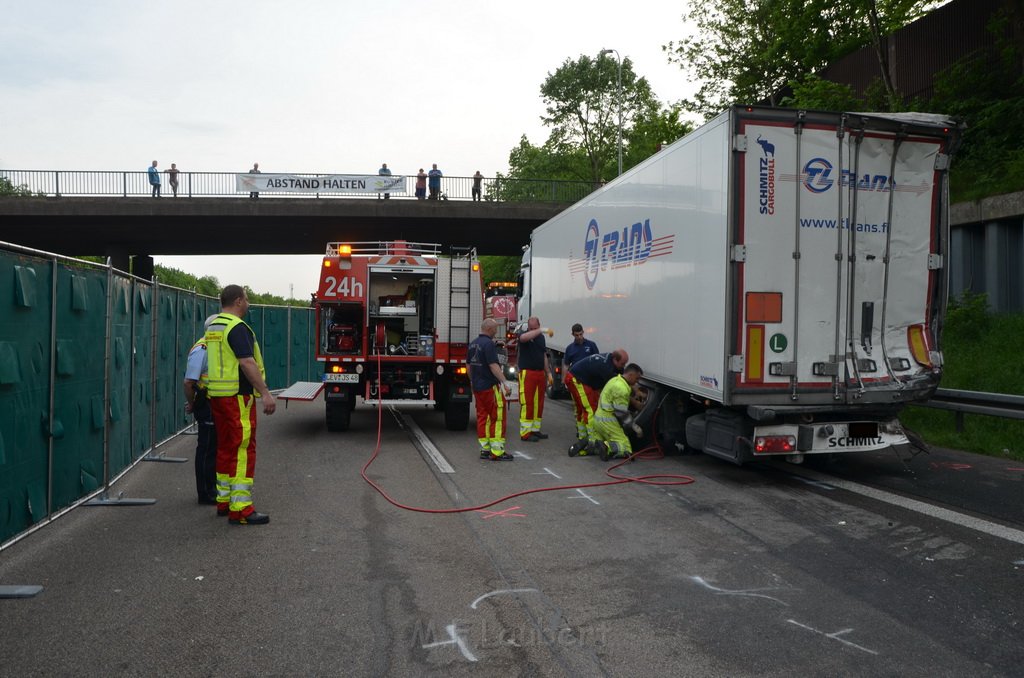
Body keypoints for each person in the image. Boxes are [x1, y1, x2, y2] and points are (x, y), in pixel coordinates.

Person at [205, 285, 276, 525]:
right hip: (237, 397)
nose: (248, 303)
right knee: (243, 449)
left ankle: (223, 502)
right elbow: (246, 362)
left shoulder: (214, 327)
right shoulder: (237, 328)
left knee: (225, 448)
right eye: (246, 299)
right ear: (237, 301)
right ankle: (242, 509)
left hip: (217, 396)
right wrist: (264, 392)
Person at [183, 314, 220, 505]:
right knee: (206, 448)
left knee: (213, 448)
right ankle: (205, 493)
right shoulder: (202, 349)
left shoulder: (213, 348)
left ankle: (212, 488)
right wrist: (193, 404)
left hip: (214, 404)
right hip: (206, 404)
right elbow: (189, 382)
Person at [565, 348, 629, 456]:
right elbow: (615, 385)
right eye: (622, 364)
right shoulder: (606, 367)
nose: (623, 366)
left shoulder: (610, 360)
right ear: (615, 360)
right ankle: (592, 442)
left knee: (582, 411)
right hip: (577, 380)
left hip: (577, 378)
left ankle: (583, 437)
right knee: (590, 410)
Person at [468, 318, 514, 461]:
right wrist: (505, 382)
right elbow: (493, 366)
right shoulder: (488, 345)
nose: (496, 331)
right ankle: (497, 451)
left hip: (478, 387)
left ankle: (485, 449)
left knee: (483, 417)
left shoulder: (473, 344)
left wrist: (472, 381)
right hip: (490, 387)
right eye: (495, 329)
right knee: (498, 417)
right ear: (489, 329)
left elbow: (468, 366)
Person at [591, 363, 645, 461]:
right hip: (607, 421)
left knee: (605, 436)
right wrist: (635, 427)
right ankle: (607, 447)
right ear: (630, 375)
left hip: (598, 419)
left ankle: (594, 444)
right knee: (625, 446)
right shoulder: (622, 389)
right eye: (636, 379)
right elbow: (622, 414)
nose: (637, 382)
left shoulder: (615, 380)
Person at [516, 317, 554, 442]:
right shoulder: (524, 335)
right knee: (528, 403)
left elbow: (543, 355)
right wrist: (541, 330)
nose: (533, 330)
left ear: (539, 325)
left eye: (535, 328)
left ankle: (535, 430)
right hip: (527, 373)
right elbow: (523, 338)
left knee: (539, 404)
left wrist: (548, 373)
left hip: (539, 373)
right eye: (531, 328)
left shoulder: (541, 338)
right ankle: (525, 433)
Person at [563, 323, 600, 441]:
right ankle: (581, 431)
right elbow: (566, 365)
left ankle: (591, 432)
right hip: (576, 382)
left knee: (590, 407)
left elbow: (597, 361)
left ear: (583, 332)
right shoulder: (570, 348)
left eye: (581, 334)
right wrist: (565, 380)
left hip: (589, 381)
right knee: (578, 408)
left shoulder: (591, 345)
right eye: (576, 335)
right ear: (572, 334)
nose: (579, 337)